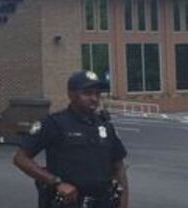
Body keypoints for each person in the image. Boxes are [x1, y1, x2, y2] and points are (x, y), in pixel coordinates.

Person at [13, 71, 129, 208]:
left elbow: (119, 168)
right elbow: (20, 158)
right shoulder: (54, 123)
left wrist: (124, 204)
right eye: (88, 93)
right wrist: (55, 182)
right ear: (71, 95)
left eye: (97, 94)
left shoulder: (105, 127)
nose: (94, 98)